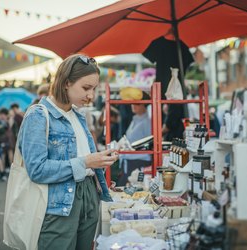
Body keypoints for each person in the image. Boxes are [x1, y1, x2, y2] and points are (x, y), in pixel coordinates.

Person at [18, 54, 118, 250]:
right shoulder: (38, 115)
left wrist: (99, 174)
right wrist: (87, 162)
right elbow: (37, 169)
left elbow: (83, 158)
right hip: (60, 206)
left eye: (94, 88)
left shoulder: (77, 115)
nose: (91, 95)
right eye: (86, 88)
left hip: (88, 196)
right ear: (66, 83)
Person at [143, 28, 194, 140]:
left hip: (171, 88)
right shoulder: (181, 48)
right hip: (172, 89)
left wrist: (160, 132)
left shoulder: (180, 48)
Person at [118, 91, 152, 186]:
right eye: (132, 102)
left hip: (139, 161)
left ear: (144, 105)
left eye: (137, 103)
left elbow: (151, 144)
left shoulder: (147, 122)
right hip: (130, 160)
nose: (133, 105)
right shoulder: (135, 119)